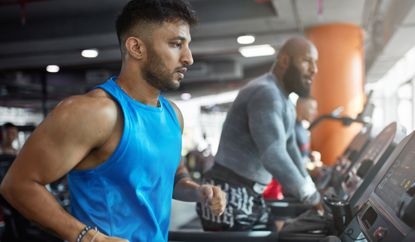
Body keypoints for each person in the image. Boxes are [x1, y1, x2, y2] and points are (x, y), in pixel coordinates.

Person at [0, 1, 226, 242]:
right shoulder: (93, 112)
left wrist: (197, 191)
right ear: (136, 47)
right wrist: (89, 237)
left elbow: (172, 176)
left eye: (187, 45)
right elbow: (17, 185)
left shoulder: (172, 114)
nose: (189, 58)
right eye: (176, 44)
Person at [196, 37, 320, 231]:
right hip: (226, 192)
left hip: (249, 192)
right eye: (307, 61)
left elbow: (290, 148)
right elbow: (274, 154)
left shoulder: (284, 101)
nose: (314, 69)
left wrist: (310, 188)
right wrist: (310, 196)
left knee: (281, 234)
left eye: (315, 63)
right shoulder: (266, 93)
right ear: (285, 61)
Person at [263, 97, 320, 200]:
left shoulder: (302, 128)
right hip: (284, 186)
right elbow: (283, 157)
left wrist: (309, 155)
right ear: (301, 106)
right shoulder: (291, 127)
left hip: (299, 180)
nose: (315, 113)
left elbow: (299, 154)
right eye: (312, 108)